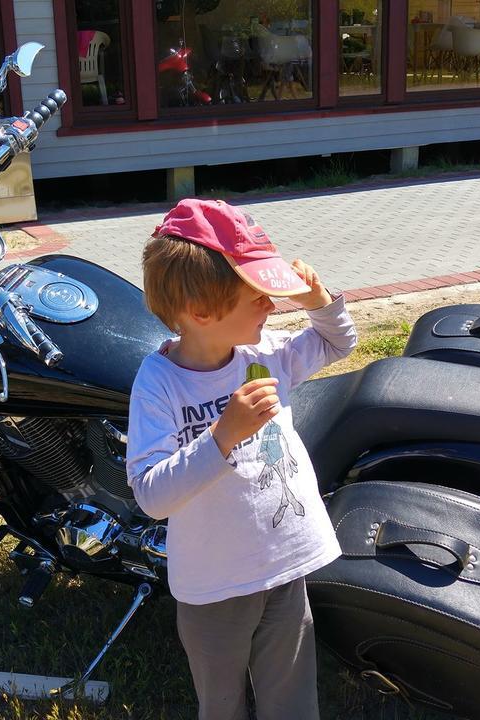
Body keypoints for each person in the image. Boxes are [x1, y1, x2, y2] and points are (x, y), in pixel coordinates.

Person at [126, 198, 357, 720]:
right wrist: (222, 435)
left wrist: (320, 300)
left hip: (283, 565)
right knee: (223, 702)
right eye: (257, 299)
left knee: (291, 698)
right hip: (214, 586)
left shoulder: (265, 354)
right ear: (202, 312)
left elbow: (339, 342)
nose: (272, 308)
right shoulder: (159, 384)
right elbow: (152, 496)